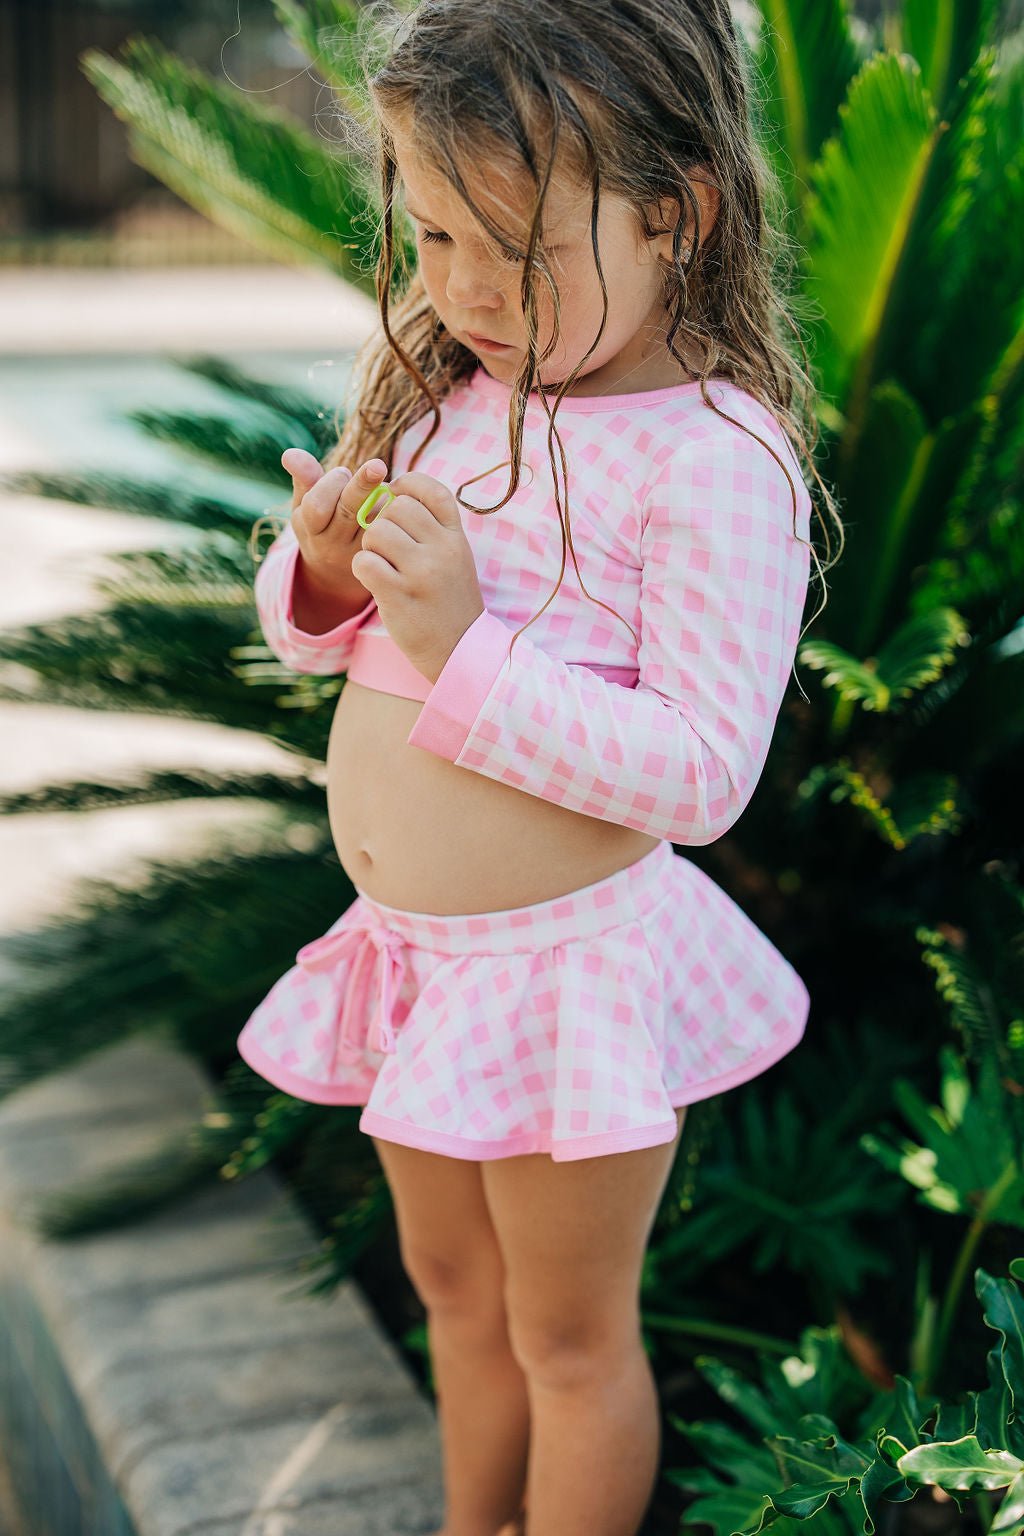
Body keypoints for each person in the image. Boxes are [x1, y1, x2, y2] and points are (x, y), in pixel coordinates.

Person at [237, 1, 842, 1532]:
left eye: (517, 252)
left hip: (560, 981)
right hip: (418, 961)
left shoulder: (717, 456)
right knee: (451, 1291)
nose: (459, 289)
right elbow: (338, 643)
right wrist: (320, 577)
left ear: (676, 213)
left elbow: (701, 773)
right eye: (432, 236)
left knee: (568, 1338)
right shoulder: (451, 400)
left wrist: (465, 649)